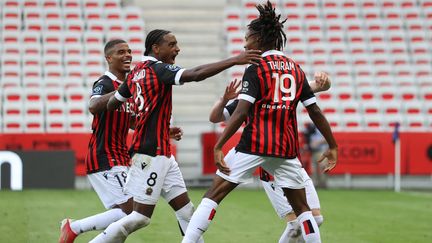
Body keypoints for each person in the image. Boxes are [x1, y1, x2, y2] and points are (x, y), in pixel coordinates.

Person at [181, 2, 338, 243]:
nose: (245, 44)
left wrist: (219, 145)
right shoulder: (295, 70)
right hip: (285, 149)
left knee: (214, 194)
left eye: (247, 38)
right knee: (304, 210)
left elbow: (242, 112)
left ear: (258, 38)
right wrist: (333, 145)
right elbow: (314, 111)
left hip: (253, 144)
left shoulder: (256, 69)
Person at [88, 29, 262, 243]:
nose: (177, 49)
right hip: (149, 153)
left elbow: (114, 103)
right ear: (156, 48)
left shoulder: (135, 73)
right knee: (139, 217)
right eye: (172, 45)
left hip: (162, 153)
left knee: (186, 212)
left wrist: (149, 120)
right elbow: (195, 74)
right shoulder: (157, 69)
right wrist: (235, 60)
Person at [58, 39, 184, 243]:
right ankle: (74, 227)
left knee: (128, 214)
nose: (127, 55)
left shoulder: (130, 87)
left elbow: (130, 119)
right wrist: (122, 91)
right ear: (109, 58)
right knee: (132, 212)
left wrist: (164, 131)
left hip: (121, 156)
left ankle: (75, 228)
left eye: (129, 51)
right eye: (120, 52)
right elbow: (94, 106)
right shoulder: (105, 82)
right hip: (103, 156)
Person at [209, 72, 330, 243]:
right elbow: (215, 117)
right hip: (270, 166)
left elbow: (320, 86)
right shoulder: (248, 96)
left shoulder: (285, 87)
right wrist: (223, 99)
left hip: (290, 159)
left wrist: (325, 79)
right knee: (296, 222)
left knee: (315, 219)